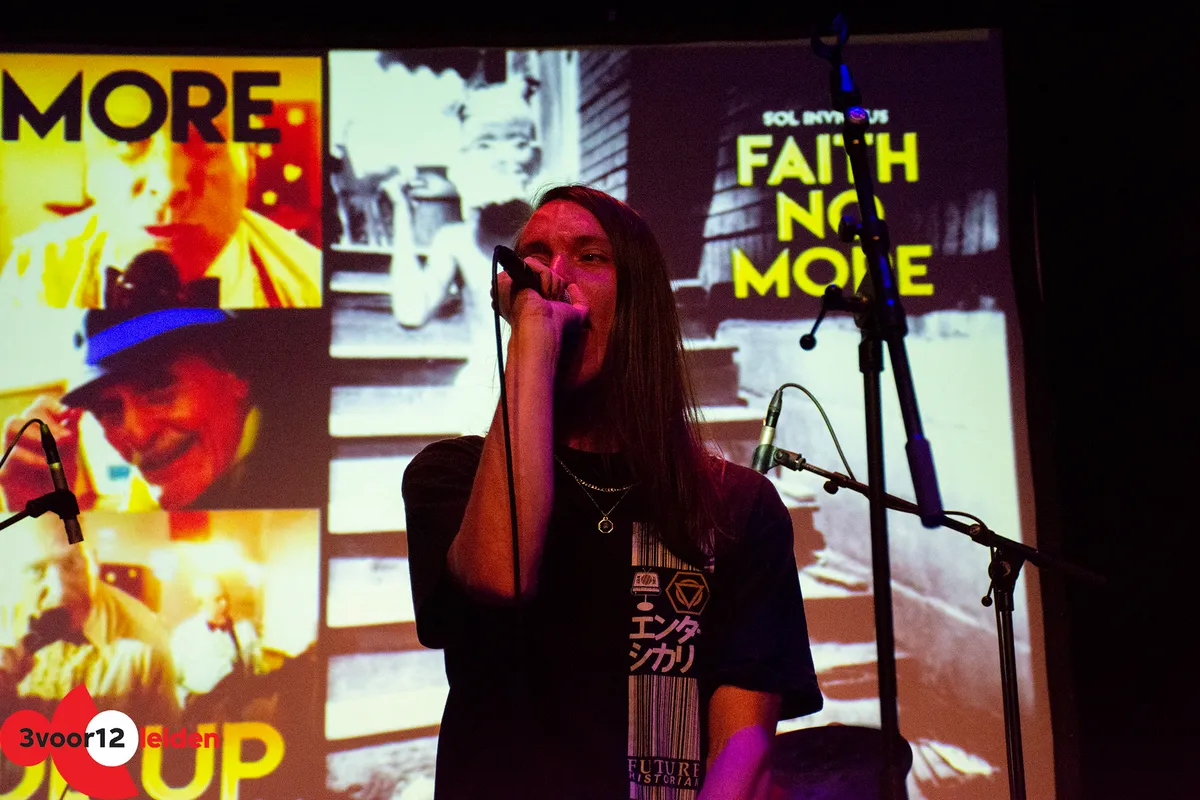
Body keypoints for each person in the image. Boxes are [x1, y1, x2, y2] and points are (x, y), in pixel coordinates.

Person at [401, 185, 823, 800]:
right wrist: (534, 337)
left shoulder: (736, 505)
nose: (552, 276)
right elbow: (503, 573)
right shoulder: (452, 477)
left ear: (640, 302)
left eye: (590, 256)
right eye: (534, 257)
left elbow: (744, 746)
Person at [0, 266, 311, 513]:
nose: (137, 434)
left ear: (236, 373)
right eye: (109, 409)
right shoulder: (144, 492)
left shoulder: (303, 467)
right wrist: (40, 512)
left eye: (159, 387)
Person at [0, 105, 321, 309]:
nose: (168, 187)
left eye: (207, 140)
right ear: (90, 173)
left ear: (249, 163)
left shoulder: (313, 283)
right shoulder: (34, 270)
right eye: (128, 141)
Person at [0, 516, 179, 725]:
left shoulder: (147, 645)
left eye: (71, 564)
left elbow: (162, 741)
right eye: (36, 571)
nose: (60, 591)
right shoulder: (4, 624)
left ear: (93, 562)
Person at [170, 575, 264, 719]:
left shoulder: (244, 630)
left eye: (226, 597)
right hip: (199, 716)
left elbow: (257, 671)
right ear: (201, 602)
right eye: (217, 599)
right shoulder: (184, 634)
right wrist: (189, 704)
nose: (225, 604)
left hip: (236, 717)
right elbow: (172, 681)